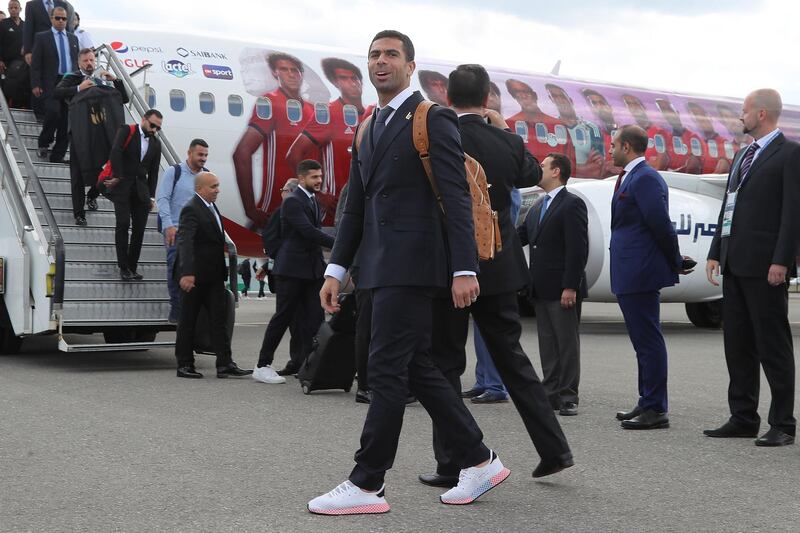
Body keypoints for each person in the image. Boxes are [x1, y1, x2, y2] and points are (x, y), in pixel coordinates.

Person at [311, 31, 509, 515]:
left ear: (409, 65)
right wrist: (336, 268)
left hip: (415, 268)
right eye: (374, 55)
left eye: (391, 55)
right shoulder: (369, 124)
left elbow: (457, 197)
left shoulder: (431, 117)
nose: (381, 62)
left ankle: (367, 482)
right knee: (417, 367)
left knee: (383, 370)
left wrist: (465, 267)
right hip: (378, 268)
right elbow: (355, 205)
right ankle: (479, 460)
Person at [417, 64, 572, 491]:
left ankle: (452, 462)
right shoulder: (502, 140)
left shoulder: (438, 136)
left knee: (446, 361)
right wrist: (504, 130)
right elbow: (533, 174)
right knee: (513, 360)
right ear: (487, 98)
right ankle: (554, 449)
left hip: (453, 264)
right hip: (500, 265)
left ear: (447, 96)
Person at [704, 89, 800, 447]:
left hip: (765, 266)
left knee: (772, 346)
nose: (739, 118)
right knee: (738, 343)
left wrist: (782, 260)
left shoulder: (790, 154)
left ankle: (783, 424)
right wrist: (717, 250)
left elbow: (793, 214)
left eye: (743, 112)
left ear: (762, 114)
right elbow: (728, 206)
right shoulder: (743, 155)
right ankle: (743, 416)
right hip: (735, 262)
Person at [609, 125, 692, 430]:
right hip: (630, 270)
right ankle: (646, 401)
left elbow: (660, 224)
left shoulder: (645, 178)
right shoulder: (631, 176)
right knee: (641, 341)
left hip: (640, 271)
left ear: (627, 146)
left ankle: (656, 408)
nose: (610, 149)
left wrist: (674, 261)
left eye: (614, 144)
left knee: (648, 341)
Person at [518, 153, 588, 416]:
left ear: (556, 171)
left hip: (562, 288)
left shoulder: (572, 204)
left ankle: (569, 396)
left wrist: (571, 285)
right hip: (540, 287)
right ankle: (550, 392)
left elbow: (577, 249)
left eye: (543, 166)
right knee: (547, 343)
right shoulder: (537, 207)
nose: (539, 170)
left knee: (566, 343)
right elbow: (520, 237)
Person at [253, 160, 334, 383]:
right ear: (301, 179)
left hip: (311, 271)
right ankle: (262, 365)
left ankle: (311, 365)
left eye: (320, 176)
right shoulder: (292, 202)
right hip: (291, 270)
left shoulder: (313, 201)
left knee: (315, 319)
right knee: (283, 316)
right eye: (314, 177)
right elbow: (307, 231)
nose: (319, 181)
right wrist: (340, 243)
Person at [173, 171, 252, 379]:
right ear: (200, 189)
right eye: (213, 186)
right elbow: (186, 242)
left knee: (219, 321)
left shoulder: (211, 207)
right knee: (188, 320)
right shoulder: (191, 209)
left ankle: (225, 364)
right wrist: (187, 273)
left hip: (214, 276)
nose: (218, 190)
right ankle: (185, 364)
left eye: (217, 185)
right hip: (196, 278)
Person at [286, 57, 374, 224]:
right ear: (336, 83)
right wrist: (318, 195)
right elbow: (294, 154)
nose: (352, 83)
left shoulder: (371, 115)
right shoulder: (328, 113)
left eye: (354, 78)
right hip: (336, 212)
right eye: (344, 78)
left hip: (366, 208)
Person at [233, 51, 313, 228]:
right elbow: (241, 153)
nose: (291, 74)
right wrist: (250, 209)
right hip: (274, 211)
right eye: (284, 69)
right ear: (275, 73)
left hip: (304, 209)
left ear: (301, 74)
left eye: (295, 70)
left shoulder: (311, 109)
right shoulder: (271, 102)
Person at [54, 47, 127, 226]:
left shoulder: (101, 79)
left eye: (92, 60)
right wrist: (79, 88)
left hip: (101, 132)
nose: (89, 64)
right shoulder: (71, 78)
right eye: (85, 61)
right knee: (78, 174)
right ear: (79, 62)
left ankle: (92, 195)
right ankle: (79, 213)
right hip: (79, 133)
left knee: (105, 170)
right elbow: (57, 93)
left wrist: (116, 80)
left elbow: (122, 99)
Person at [105, 109, 162, 281]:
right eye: (152, 125)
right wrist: (118, 176)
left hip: (141, 191)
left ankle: (132, 266)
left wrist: (152, 196)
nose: (154, 130)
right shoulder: (126, 130)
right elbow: (115, 152)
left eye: (158, 128)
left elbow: (153, 172)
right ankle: (123, 267)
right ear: (144, 119)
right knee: (122, 224)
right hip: (122, 185)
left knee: (139, 230)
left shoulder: (156, 144)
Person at [156, 138, 209, 323]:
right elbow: (162, 199)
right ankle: (177, 311)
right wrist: (168, 225)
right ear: (190, 153)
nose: (203, 159)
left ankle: (193, 311)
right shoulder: (175, 172)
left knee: (198, 272)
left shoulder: (207, 176)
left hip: (199, 234)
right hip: (176, 230)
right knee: (176, 269)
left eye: (205, 155)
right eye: (200, 154)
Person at [30, 6, 77, 163]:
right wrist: (35, 83)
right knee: (53, 112)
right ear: (51, 19)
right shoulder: (42, 37)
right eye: (57, 18)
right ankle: (44, 143)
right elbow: (36, 63)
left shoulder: (73, 38)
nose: (61, 21)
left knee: (66, 122)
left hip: (69, 81)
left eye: (64, 18)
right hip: (51, 82)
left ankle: (58, 155)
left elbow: (75, 62)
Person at [504, 78, 575, 167]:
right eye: (518, 94)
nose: (523, 96)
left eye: (526, 92)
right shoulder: (508, 125)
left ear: (535, 95)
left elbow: (571, 164)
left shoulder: (558, 125)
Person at [22, 0, 73, 119]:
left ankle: (56, 112)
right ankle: (39, 113)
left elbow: (68, 28)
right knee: (38, 79)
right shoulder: (32, 5)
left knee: (56, 80)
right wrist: (28, 50)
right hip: (39, 48)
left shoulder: (63, 4)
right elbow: (28, 28)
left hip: (58, 48)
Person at [545, 83, 605, 178]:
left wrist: (572, 169)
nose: (560, 100)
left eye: (562, 96)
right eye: (555, 97)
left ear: (571, 101)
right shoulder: (551, 128)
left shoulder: (591, 128)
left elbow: (597, 166)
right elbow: (550, 166)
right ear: (552, 100)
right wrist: (583, 168)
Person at [621, 94, 671, 171]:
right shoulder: (629, 134)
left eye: (635, 103)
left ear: (643, 107)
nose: (633, 107)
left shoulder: (659, 132)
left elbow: (660, 164)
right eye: (629, 104)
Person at [655, 98, 703, 173]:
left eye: (669, 110)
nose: (668, 114)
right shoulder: (667, 138)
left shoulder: (692, 137)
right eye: (664, 111)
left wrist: (671, 173)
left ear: (677, 112)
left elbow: (692, 167)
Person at [687, 102, 731, 174]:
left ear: (709, 117)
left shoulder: (723, 143)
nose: (701, 119)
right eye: (696, 117)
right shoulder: (699, 144)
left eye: (702, 115)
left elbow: (720, 172)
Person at [0, 0, 25, 104]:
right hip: (7, 64)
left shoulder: (26, 25)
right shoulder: (3, 24)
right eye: (11, 8)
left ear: (20, 9)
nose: (13, 10)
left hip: (23, 64)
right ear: (8, 10)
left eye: (16, 7)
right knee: (7, 88)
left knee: (21, 89)